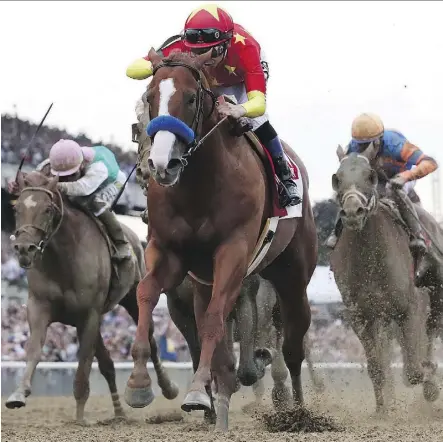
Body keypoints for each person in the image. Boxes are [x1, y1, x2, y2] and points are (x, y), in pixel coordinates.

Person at [126, 3, 301, 207]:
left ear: (227, 42)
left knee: (257, 120)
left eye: (212, 51)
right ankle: (150, 166)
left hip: (238, 81)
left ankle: (285, 177)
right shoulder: (180, 45)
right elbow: (131, 69)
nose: (205, 57)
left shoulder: (246, 47)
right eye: (198, 52)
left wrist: (239, 109)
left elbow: (258, 104)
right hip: (205, 82)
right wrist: (155, 65)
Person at [325, 113, 438, 263]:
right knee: (352, 193)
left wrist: (405, 177)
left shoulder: (396, 144)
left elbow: (430, 163)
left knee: (392, 188)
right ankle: (337, 232)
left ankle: (417, 235)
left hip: (401, 178)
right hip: (376, 180)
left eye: (368, 144)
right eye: (360, 145)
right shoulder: (353, 147)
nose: (363, 149)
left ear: (379, 139)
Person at [8, 139, 132, 262]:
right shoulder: (54, 161)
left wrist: (58, 185)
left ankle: (120, 242)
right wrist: (18, 185)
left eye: (71, 174)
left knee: (91, 202)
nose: (65, 178)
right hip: (85, 176)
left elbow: (82, 188)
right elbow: (35, 179)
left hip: (113, 183)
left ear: (81, 165)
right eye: (61, 175)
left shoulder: (99, 169)